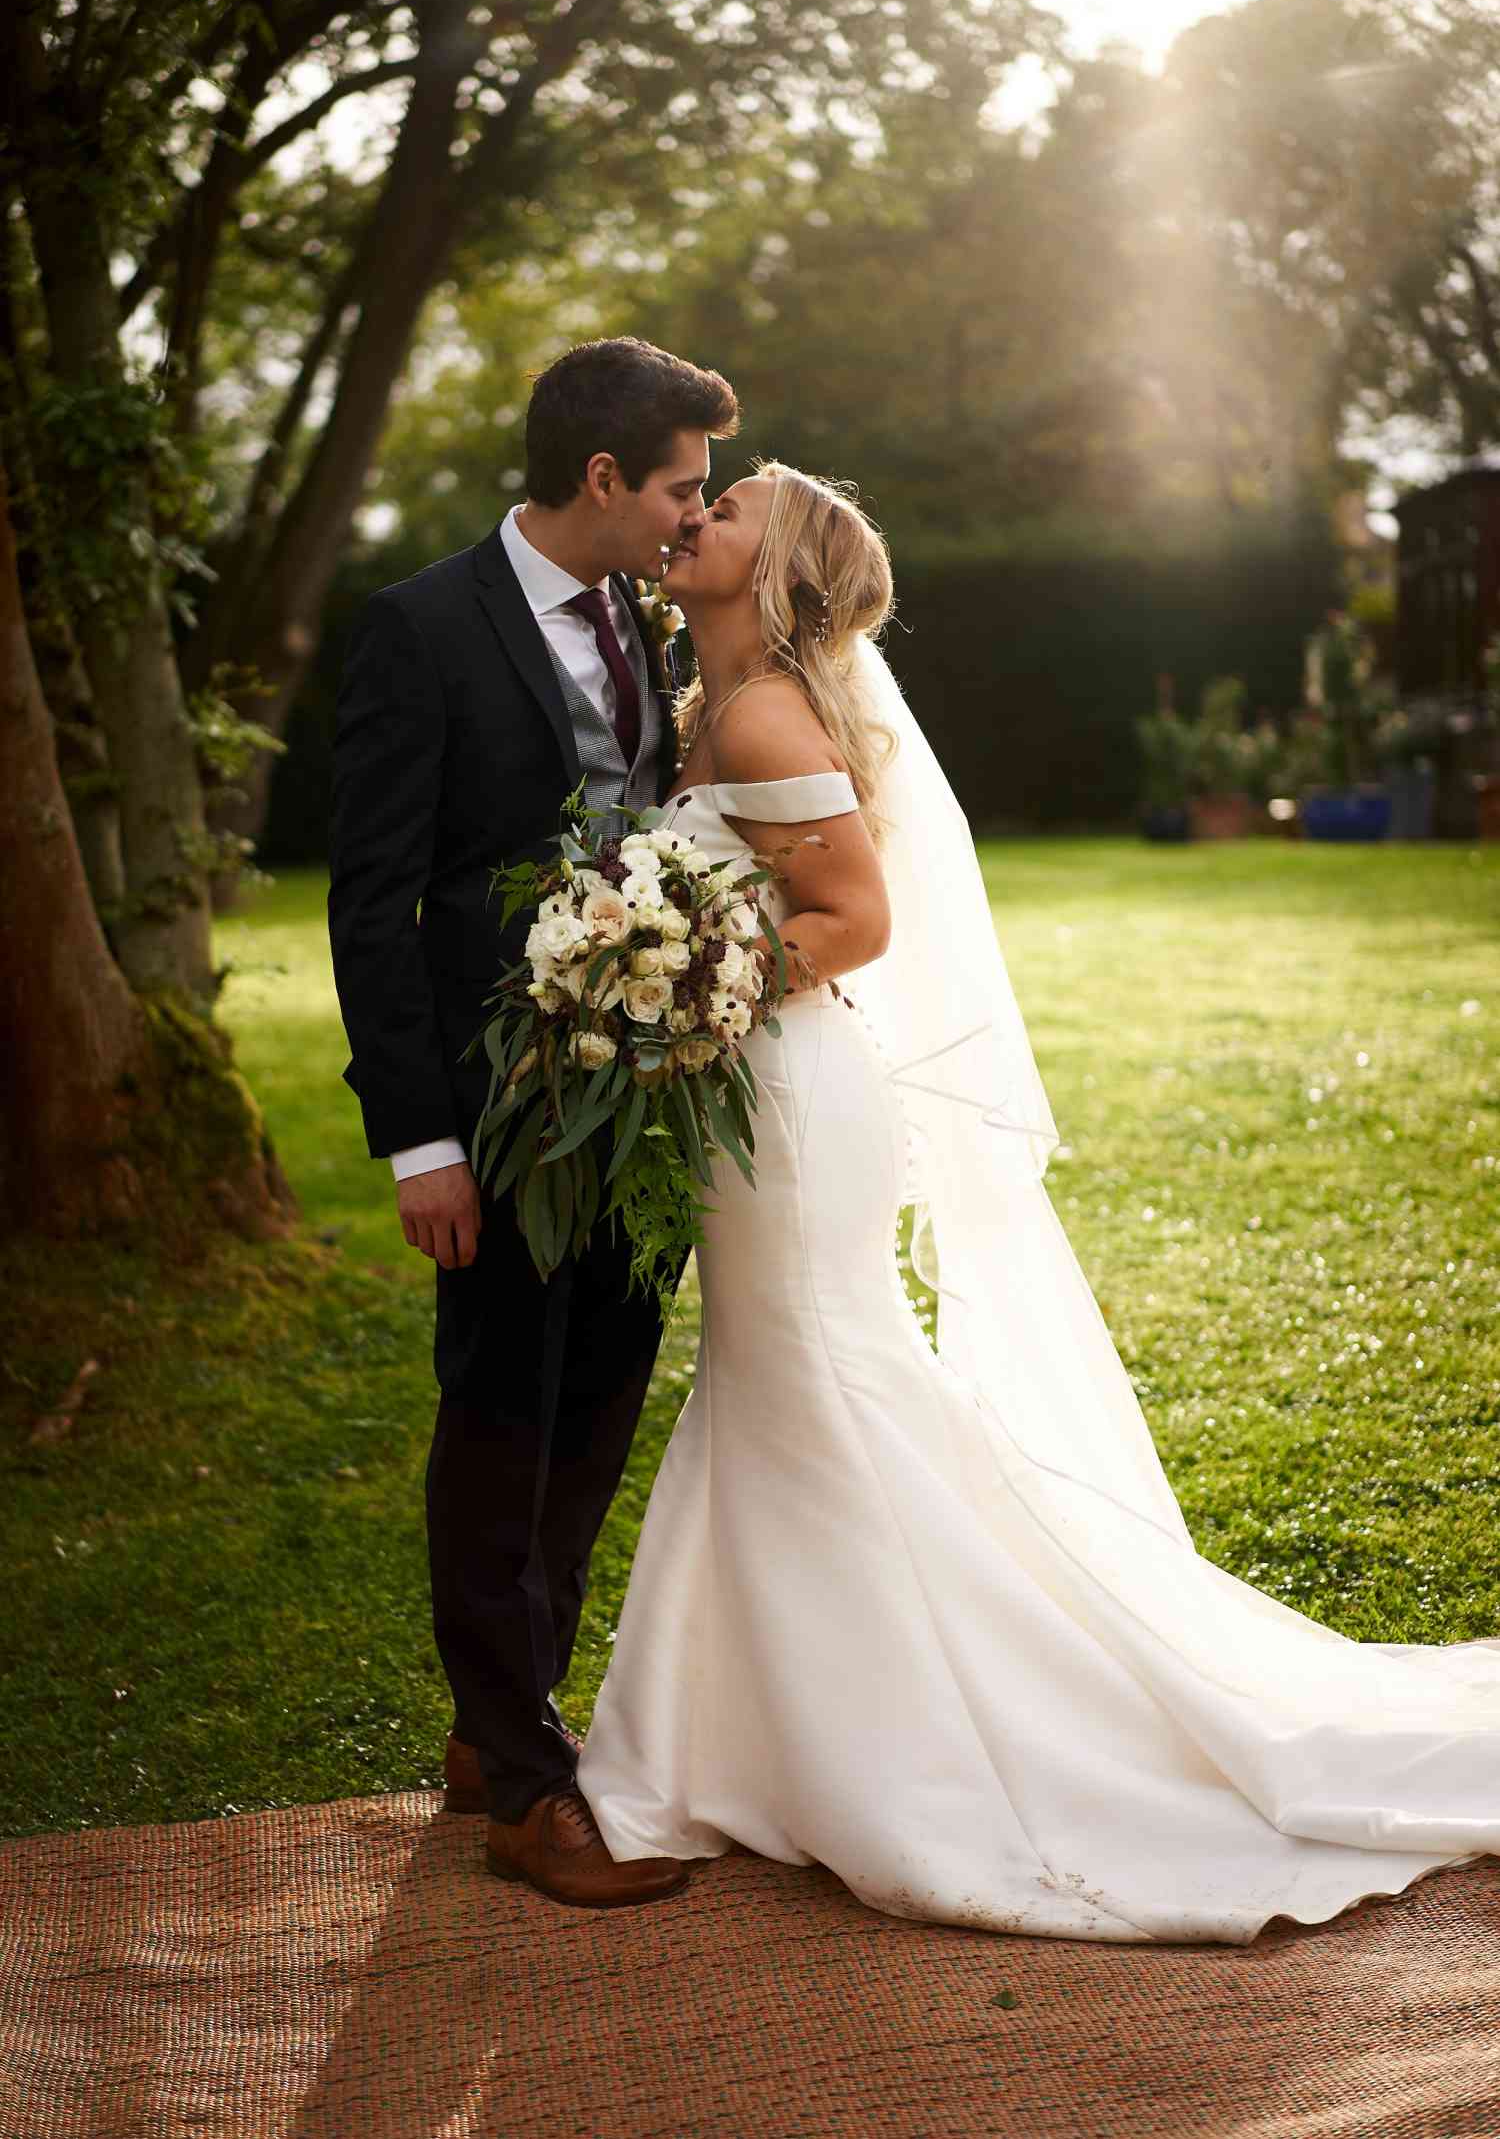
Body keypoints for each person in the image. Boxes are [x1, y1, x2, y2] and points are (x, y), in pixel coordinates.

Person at [575, 459, 1500, 1944]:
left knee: (815, 1376)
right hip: (771, 1095)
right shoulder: (720, 703)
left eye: (729, 507)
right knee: (783, 1381)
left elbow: (857, 917)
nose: (697, 520)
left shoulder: (755, 710)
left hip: (795, 1100)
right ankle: (746, 1727)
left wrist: (689, 990)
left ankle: (901, 1738)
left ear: (776, 572)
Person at [328, 337, 739, 1909]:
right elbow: (374, 902)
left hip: (638, 1108)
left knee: (597, 1409)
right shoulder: (419, 629)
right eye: (681, 487)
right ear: (602, 482)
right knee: (501, 1418)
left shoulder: (643, 612)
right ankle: (525, 1785)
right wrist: (419, 1140)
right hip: (492, 1118)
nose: (692, 515)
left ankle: (503, 1717)